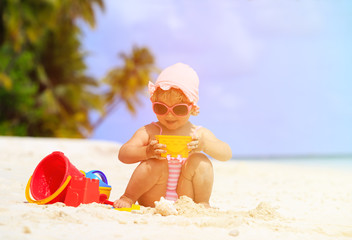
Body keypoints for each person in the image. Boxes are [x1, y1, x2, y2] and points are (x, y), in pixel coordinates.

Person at [113, 63, 232, 208]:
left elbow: (226, 153)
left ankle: (202, 203)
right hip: (154, 197)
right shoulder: (151, 131)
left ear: (192, 108)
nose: (169, 114)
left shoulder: (198, 133)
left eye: (179, 109)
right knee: (157, 162)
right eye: (161, 108)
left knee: (201, 160)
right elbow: (123, 154)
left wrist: (205, 146)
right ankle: (128, 198)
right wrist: (146, 152)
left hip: (186, 199)